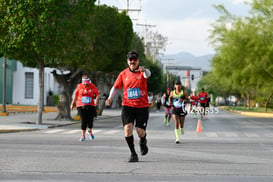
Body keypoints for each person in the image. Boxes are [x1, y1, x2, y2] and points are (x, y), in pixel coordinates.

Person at [105, 51, 151, 162]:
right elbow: (115, 87)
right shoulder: (123, 74)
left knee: (140, 131)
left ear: (138, 61)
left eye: (134, 60)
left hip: (142, 107)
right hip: (127, 106)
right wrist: (110, 98)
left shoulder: (142, 72)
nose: (132, 62)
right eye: (130, 60)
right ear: (128, 61)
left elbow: (148, 74)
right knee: (127, 129)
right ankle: (133, 153)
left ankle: (143, 140)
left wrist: (144, 70)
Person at [70, 75, 100, 142]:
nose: (86, 85)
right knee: (83, 121)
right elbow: (75, 96)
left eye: (87, 83)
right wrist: (72, 104)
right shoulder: (79, 86)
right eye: (85, 83)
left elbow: (97, 94)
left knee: (90, 120)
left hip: (91, 105)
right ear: (82, 82)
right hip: (81, 105)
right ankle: (83, 135)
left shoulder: (92, 86)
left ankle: (90, 131)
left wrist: (96, 100)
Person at [169, 79, 188, 144]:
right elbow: (170, 97)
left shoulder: (184, 92)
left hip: (182, 109)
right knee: (176, 123)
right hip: (175, 109)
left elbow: (187, 100)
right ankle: (177, 138)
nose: (178, 86)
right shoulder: (172, 92)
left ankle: (182, 128)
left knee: (181, 123)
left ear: (181, 85)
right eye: (177, 85)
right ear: (175, 86)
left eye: (179, 84)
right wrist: (170, 102)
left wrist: (182, 100)